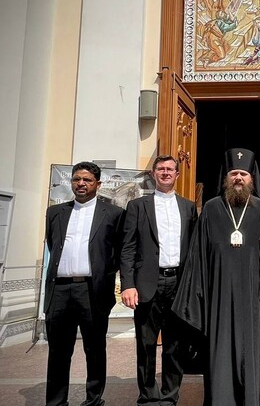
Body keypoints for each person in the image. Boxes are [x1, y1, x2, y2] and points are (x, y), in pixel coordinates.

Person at [172, 148, 260, 406]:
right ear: (226, 178)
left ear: (252, 178)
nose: (238, 178)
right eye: (233, 173)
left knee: (252, 353)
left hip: (252, 295)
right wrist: (197, 295)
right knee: (220, 352)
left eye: (243, 174)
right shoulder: (212, 208)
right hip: (218, 294)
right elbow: (197, 256)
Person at [43, 161, 124, 406]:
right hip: (59, 290)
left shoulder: (113, 214)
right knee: (58, 351)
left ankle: (93, 400)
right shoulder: (55, 212)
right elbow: (52, 244)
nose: (81, 184)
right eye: (77, 179)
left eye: (87, 180)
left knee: (95, 349)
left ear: (98, 184)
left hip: (92, 291)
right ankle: (56, 401)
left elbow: (118, 252)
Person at [120, 155, 197, 405]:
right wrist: (128, 284)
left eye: (170, 169)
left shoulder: (188, 207)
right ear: (153, 174)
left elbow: (194, 250)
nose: (165, 173)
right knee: (146, 343)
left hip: (179, 283)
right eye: (161, 169)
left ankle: (170, 395)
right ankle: (148, 395)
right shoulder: (137, 206)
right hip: (146, 284)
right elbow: (128, 248)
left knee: (176, 343)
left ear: (177, 174)